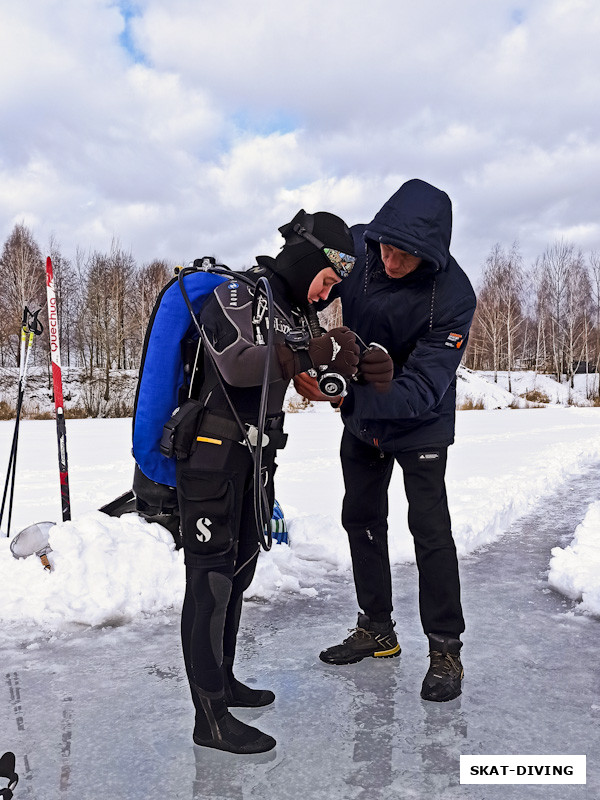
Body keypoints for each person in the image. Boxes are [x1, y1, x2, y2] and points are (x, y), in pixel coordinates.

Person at [178, 210, 360, 754]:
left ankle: (225, 682)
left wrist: (345, 370)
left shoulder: (294, 316)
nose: (327, 296)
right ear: (307, 256)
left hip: (255, 462)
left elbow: (301, 379)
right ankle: (207, 716)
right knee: (209, 582)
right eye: (327, 280)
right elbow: (236, 364)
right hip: (210, 458)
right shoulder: (239, 296)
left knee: (239, 570)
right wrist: (311, 351)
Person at [294, 179, 476, 702]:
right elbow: (309, 267)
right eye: (387, 248)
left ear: (432, 254)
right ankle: (377, 629)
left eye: (405, 255)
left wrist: (347, 397)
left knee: (431, 532)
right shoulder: (360, 246)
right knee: (362, 520)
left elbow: (423, 386)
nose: (391, 261)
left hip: (420, 423)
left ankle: (445, 648)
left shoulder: (454, 295)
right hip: (363, 421)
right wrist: (311, 356)